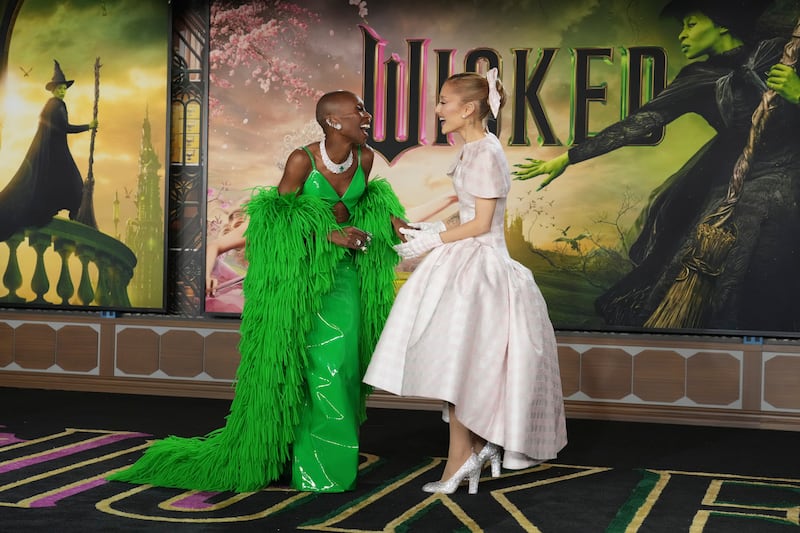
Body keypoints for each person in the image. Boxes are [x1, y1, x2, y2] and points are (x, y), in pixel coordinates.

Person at [109, 90, 408, 493]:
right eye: (359, 111)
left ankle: (318, 458)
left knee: (344, 368)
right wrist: (330, 234)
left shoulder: (365, 159)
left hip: (346, 280)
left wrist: (390, 225)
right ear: (335, 122)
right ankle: (316, 469)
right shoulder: (302, 160)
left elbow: (364, 207)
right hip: (298, 283)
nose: (367, 116)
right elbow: (276, 223)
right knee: (314, 370)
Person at [513, 0, 800, 332]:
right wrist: (569, 157)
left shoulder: (783, 53)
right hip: (735, 188)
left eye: (691, 24)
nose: (682, 34)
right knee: (705, 274)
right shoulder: (697, 77)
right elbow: (640, 122)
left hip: (790, 183)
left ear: (721, 24)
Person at [363, 69, 567, 495]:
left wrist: (431, 240)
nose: (438, 110)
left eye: (443, 102)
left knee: (463, 364)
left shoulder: (486, 152)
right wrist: (420, 229)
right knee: (456, 363)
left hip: (481, 270)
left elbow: (483, 223)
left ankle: (466, 454)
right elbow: (463, 205)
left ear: (469, 108)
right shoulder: (474, 150)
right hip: (463, 263)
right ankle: (471, 450)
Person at [0, 60, 98, 242]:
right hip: (56, 154)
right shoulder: (55, 105)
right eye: (59, 88)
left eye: (63, 88)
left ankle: (74, 218)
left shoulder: (56, 105)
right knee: (75, 183)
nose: (62, 91)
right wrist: (88, 126)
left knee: (71, 183)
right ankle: (74, 219)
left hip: (56, 152)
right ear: (53, 90)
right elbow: (64, 127)